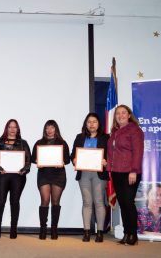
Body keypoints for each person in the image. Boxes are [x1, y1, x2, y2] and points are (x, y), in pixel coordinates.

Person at [107, 104, 144, 246]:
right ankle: (126, 233)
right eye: (118, 113)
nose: (120, 115)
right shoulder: (115, 132)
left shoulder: (135, 130)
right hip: (116, 172)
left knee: (129, 203)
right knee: (123, 204)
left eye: (123, 113)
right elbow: (112, 152)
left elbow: (138, 152)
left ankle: (133, 234)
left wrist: (134, 170)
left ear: (129, 115)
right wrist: (107, 164)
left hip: (130, 172)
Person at [70, 113, 109, 242]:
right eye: (89, 122)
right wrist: (74, 159)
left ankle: (100, 232)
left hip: (99, 173)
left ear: (98, 124)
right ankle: (86, 232)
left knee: (98, 202)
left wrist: (106, 161)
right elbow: (72, 155)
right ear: (85, 124)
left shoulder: (105, 137)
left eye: (94, 122)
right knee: (87, 202)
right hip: (84, 173)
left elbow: (110, 155)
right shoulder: (79, 137)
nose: (92, 124)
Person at [0, 119, 31, 239]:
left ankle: (13, 229)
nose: (12, 129)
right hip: (2, 176)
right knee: (0, 202)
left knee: (15, 202)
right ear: (6, 128)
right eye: (10, 127)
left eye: (15, 127)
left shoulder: (23, 143)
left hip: (18, 177)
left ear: (18, 129)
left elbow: (28, 160)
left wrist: (23, 170)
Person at [31, 120, 70, 240]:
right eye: (47, 128)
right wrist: (38, 161)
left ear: (56, 129)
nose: (49, 130)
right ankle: (43, 229)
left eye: (52, 128)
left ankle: (54, 229)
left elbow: (67, 159)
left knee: (55, 202)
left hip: (58, 175)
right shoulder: (39, 142)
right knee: (44, 200)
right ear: (44, 129)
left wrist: (62, 163)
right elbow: (33, 158)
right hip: (44, 174)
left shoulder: (62, 143)